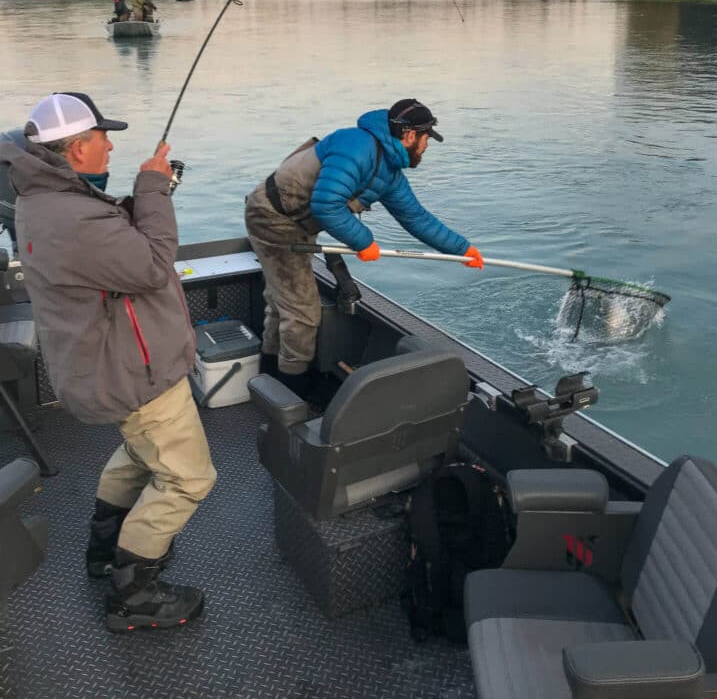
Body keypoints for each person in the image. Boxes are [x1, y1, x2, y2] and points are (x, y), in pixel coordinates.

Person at [0, 92, 216, 632]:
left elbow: (110, 248)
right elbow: (150, 266)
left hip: (106, 367)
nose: (110, 144)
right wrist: (153, 189)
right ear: (76, 149)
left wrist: (139, 196)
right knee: (190, 478)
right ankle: (134, 592)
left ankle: (105, 549)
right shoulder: (70, 216)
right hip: (134, 373)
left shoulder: (45, 199)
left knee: (140, 453)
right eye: (101, 137)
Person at [245, 99, 484, 397]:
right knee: (303, 312)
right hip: (272, 218)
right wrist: (364, 241)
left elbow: (416, 218)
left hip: (296, 223)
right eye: (425, 138)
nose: (426, 147)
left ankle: (269, 372)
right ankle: (292, 388)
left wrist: (462, 250)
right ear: (409, 135)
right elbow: (326, 204)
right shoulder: (356, 147)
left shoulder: (389, 171)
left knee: (285, 302)